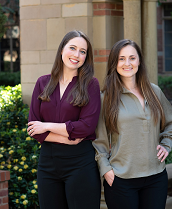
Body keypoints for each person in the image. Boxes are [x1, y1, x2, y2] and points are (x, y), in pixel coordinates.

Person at [93, 39, 172, 209]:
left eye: (132, 58)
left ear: (139, 61)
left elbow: (171, 123)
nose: (127, 63)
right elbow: (99, 139)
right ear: (114, 63)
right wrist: (105, 169)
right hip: (121, 179)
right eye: (121, 58)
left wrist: (167, 144)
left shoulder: (154, 91)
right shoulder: (106, 98)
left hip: (156, 176)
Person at [27, 30, 101, 209]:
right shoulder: (42, 83)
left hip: (81, 164)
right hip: (48, 164)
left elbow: (86, 127)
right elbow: (33, 129)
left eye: (82, 51)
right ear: (62, 50)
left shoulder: (91, 84)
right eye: (73, 48)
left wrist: (47, 126)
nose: (77, 55)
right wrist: (69, 138)